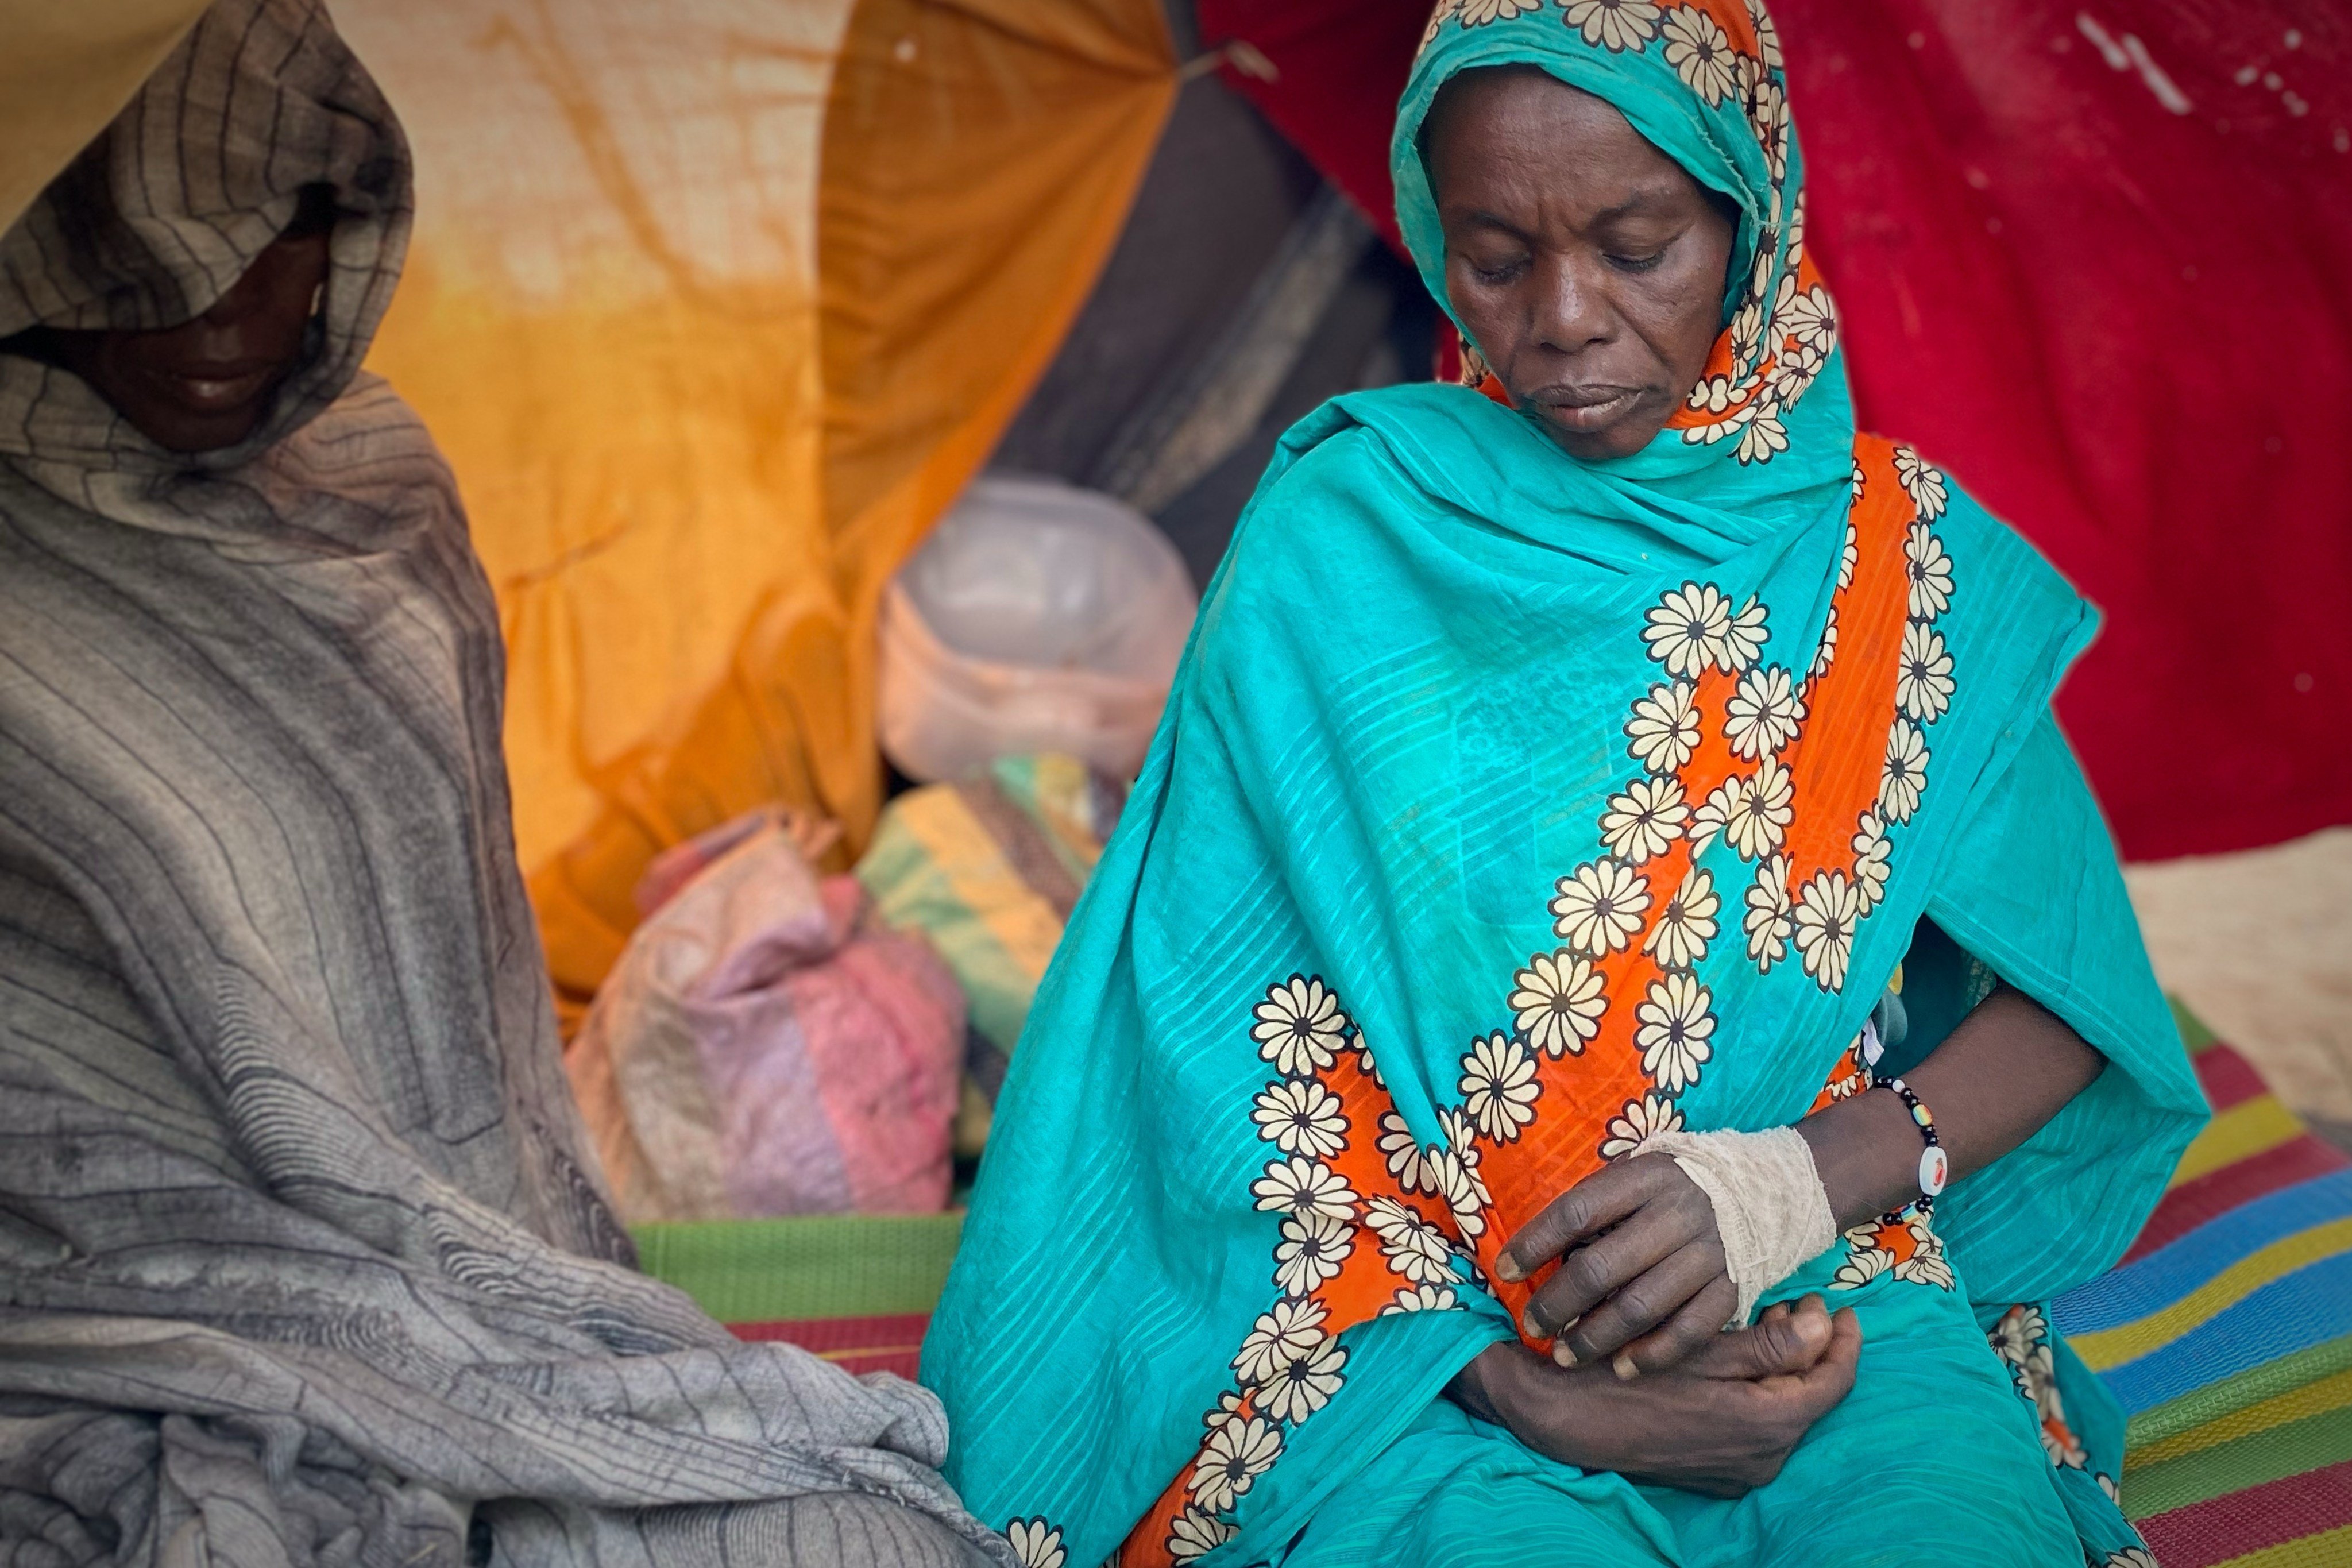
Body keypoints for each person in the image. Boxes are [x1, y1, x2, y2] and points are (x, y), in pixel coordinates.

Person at [922, 3, 2207, 1566]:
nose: (1568, 317)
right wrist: (1543, 1397)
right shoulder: (1345, 542)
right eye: (1495, 255)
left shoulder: (1888, 571)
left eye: (1638, 241)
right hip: (1418, 1363)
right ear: (1428, 234)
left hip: (1821, 1311)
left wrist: (1791, 1187)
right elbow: (1199, 1067)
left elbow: (2073, 994)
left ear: (1750, 211)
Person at [0, 2, 1009, 1563]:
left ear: (355, 204)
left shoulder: (380, 492)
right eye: (121, 245)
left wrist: (481, 1331)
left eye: (278, 220)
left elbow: (465, 1016)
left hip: (498, 1283)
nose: (214, 302)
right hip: (114, 1322)